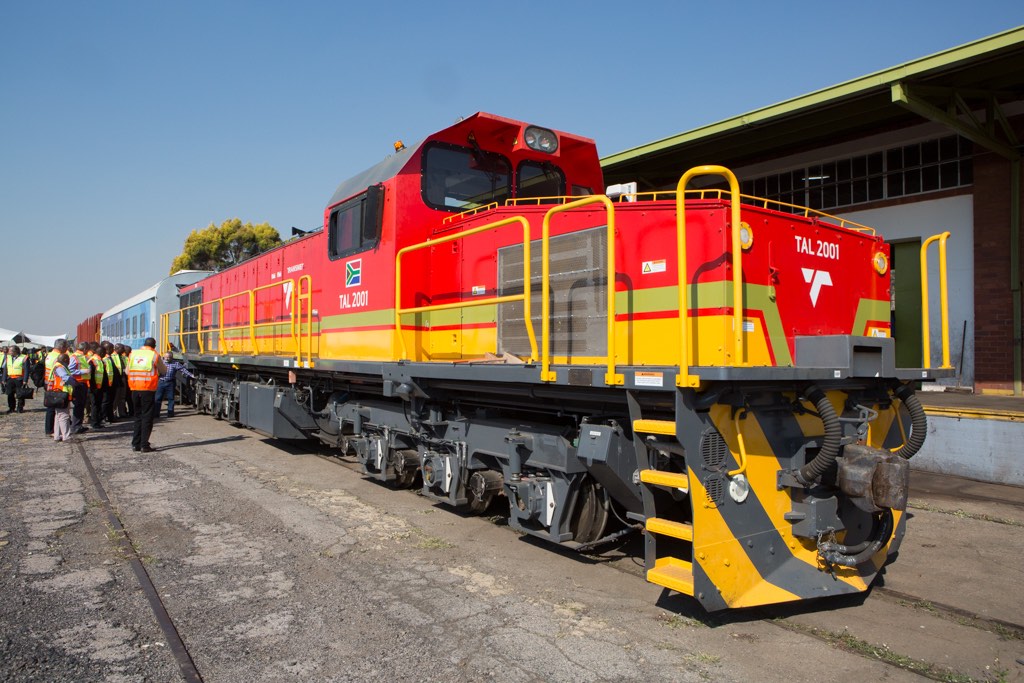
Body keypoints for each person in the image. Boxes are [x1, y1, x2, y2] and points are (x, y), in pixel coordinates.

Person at [128, 337, 166, 452]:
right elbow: (164, 370)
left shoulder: (133, 354)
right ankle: (144, 445)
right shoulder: (154, 355)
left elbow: (126, 371)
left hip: (134, 389)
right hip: (148, 390)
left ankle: (135, 444)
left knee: (138, 416)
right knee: (147, 417)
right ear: (154, 346)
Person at [155, 352, 194, 418]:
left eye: (169, 357)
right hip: (161, 382)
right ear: (163, 357)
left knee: (171, 398)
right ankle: (156, 414)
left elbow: (183, 369)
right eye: (166, 357)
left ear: (171, 358)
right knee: (158, 398)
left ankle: (170, 413)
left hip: (170, 383)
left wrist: (191, 375)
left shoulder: (175, 364)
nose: (167, 359)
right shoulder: (161, 363)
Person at [43, 340, 68, 436]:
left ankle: (51, 429)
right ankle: (50, 430)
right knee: (53, 408)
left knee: (51, 407)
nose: (66, 350)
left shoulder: (50, 355)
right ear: (61, 347)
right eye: (66, 347)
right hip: (55, 384)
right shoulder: (58, 357)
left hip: (48, 382)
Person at [49, 353, 74, 442]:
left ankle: (57, 435)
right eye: (68, 360)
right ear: (65, 360)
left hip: (57, 393)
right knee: (64, 416)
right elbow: (65, 377)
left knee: (58, 416)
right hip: (62, 393)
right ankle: (66, 436)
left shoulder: (56, 365)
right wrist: (75, 383)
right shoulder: (60, 367)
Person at [69, 342, 91, 434]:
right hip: (78, 384)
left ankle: (79, 425)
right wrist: (83, 371)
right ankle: (75, 426)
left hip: (83, 383)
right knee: (78, 405)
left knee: (81, 405)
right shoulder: (74, 357)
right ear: (85, 349)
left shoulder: (82, 356)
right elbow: (70, 370)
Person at [3, 345, 32, 413]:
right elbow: (5, 369)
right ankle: (11, 408)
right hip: (10, 378)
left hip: (19, 378)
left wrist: (25, 380)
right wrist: (3, 379)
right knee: (10, 394)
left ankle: (20, 407)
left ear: (15, 351)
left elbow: (27, 370)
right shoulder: (8, 357)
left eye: (10, 350)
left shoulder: (24, 358)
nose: (9, 352)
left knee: (20, 394)